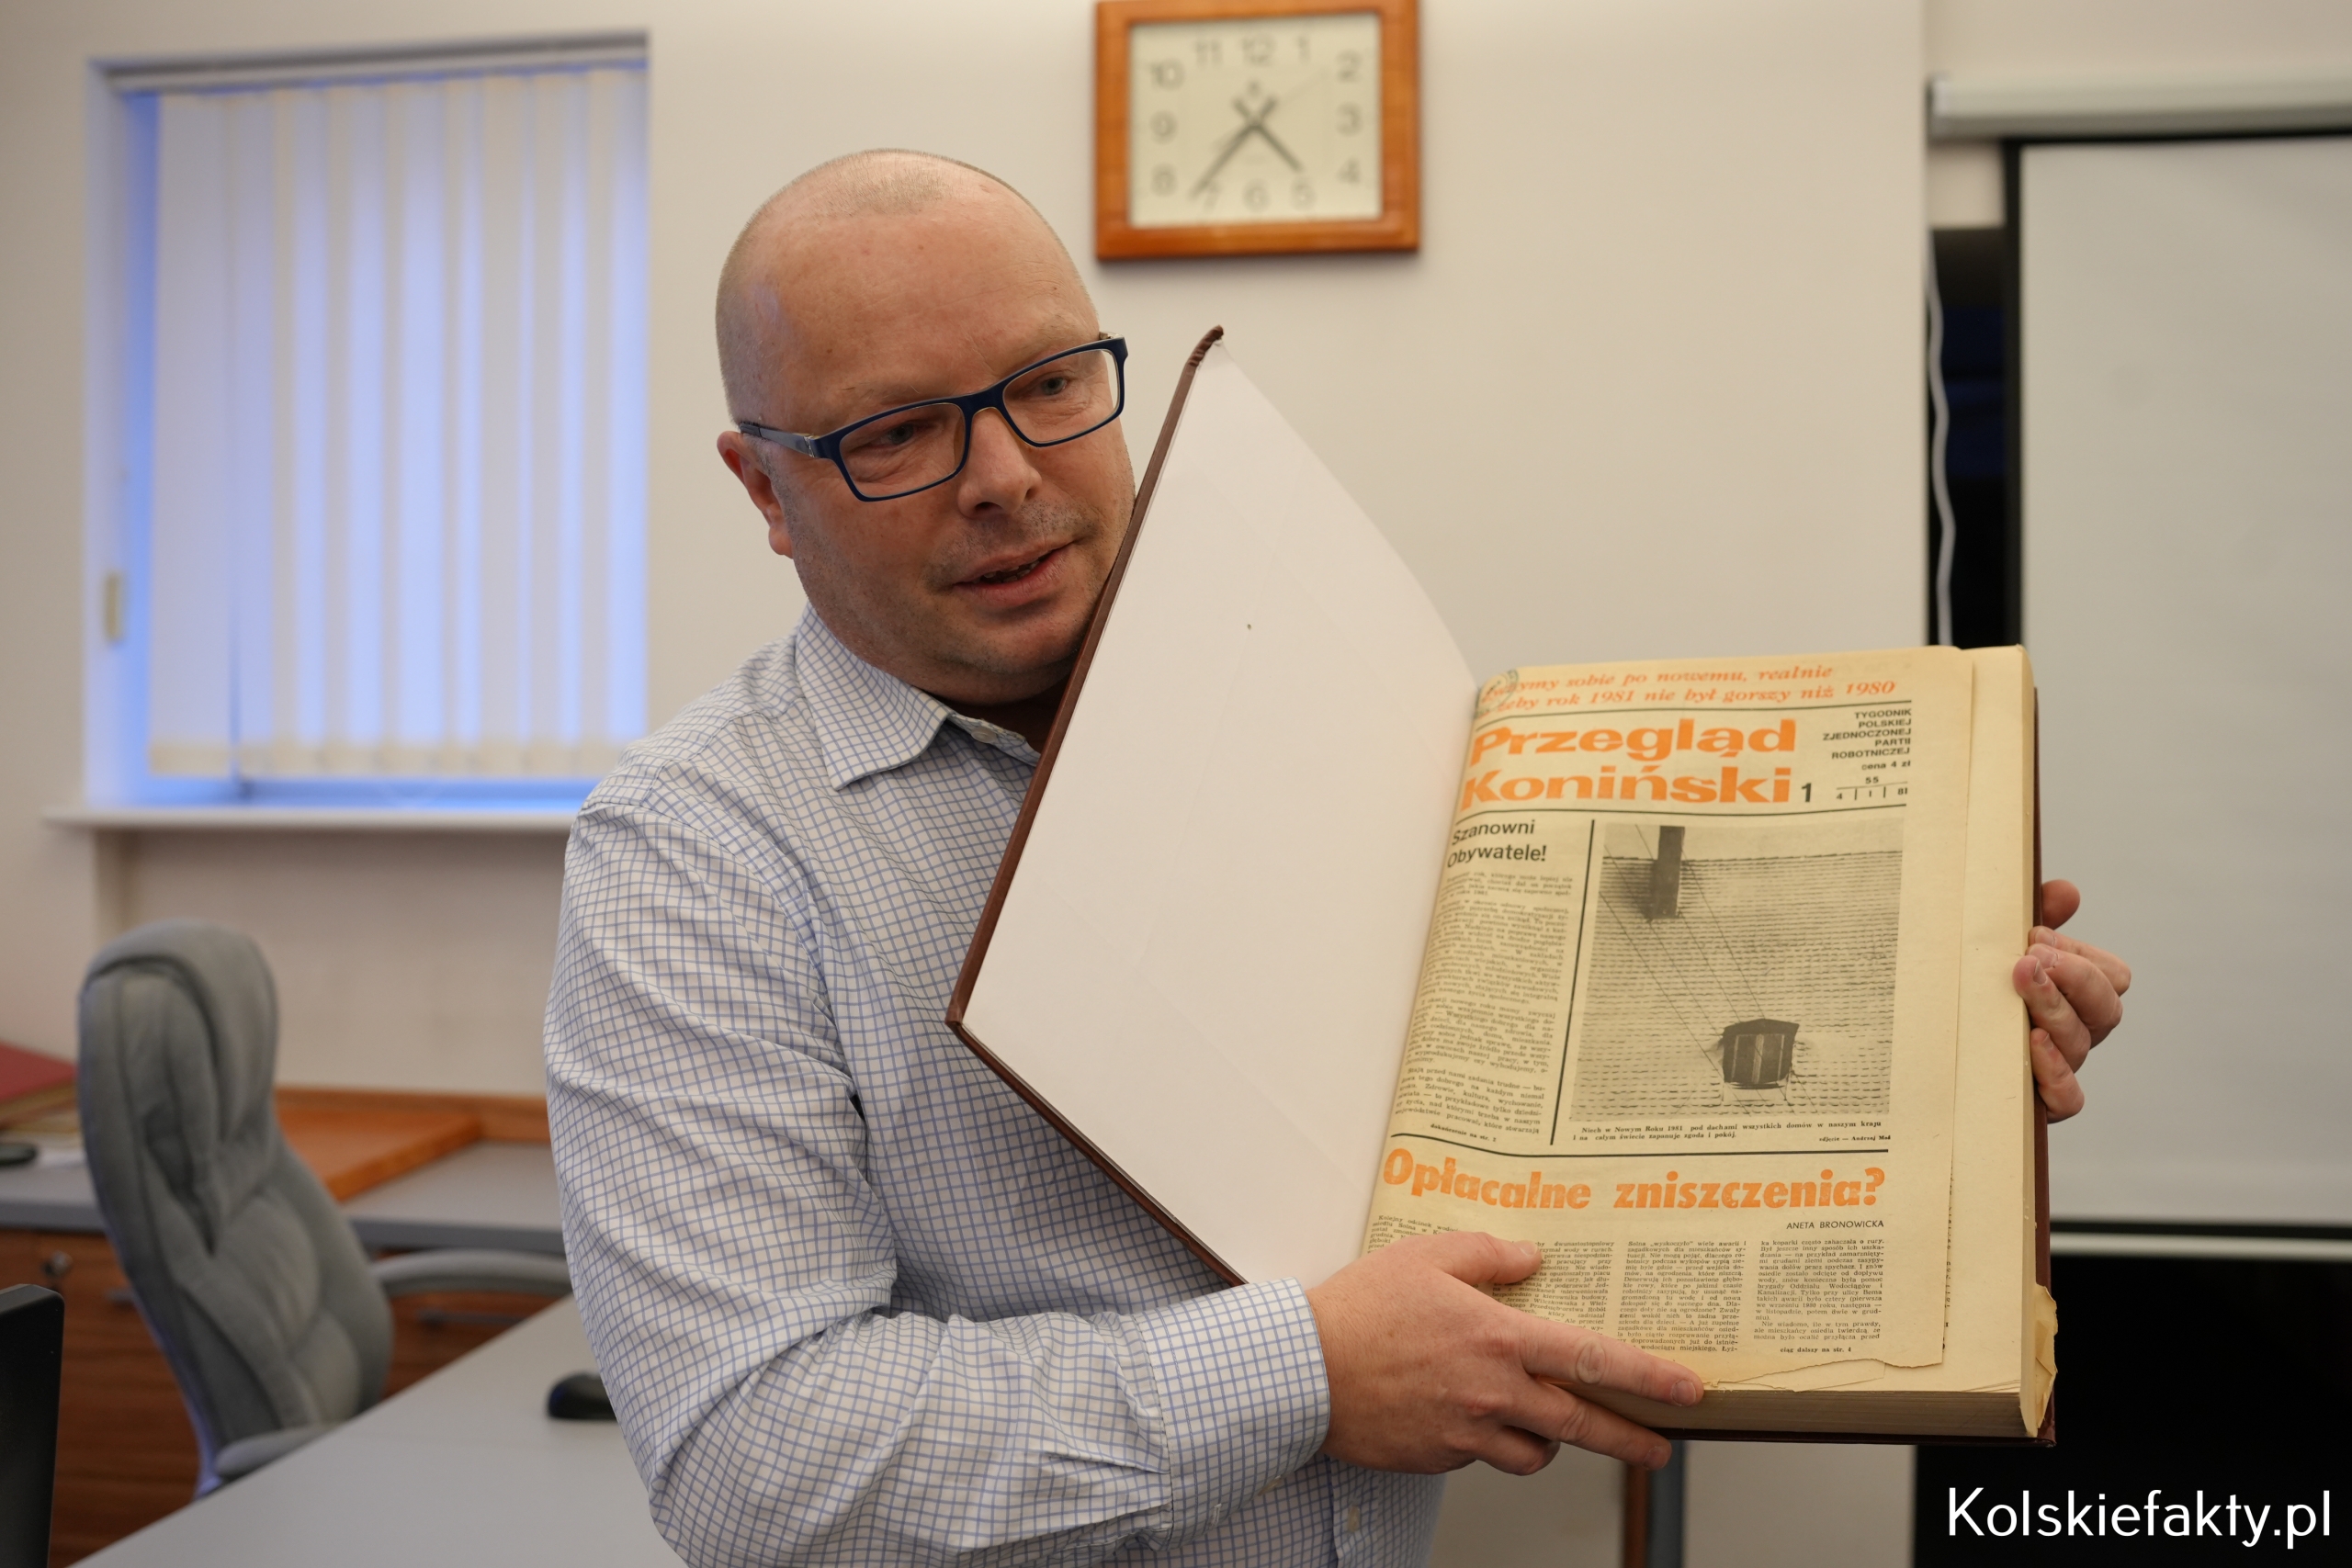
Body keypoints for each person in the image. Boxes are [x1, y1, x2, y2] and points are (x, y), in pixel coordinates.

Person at [543, 150, 2132, 1568]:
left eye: (1049, 383)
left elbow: (1561, 1104)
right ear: (765, 488)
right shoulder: (693, 855)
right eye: (900, 431)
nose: (1008, 473)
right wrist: (1304, 1373)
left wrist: (1927, 1040)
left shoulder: (1316, 686)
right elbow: (753, 1458)